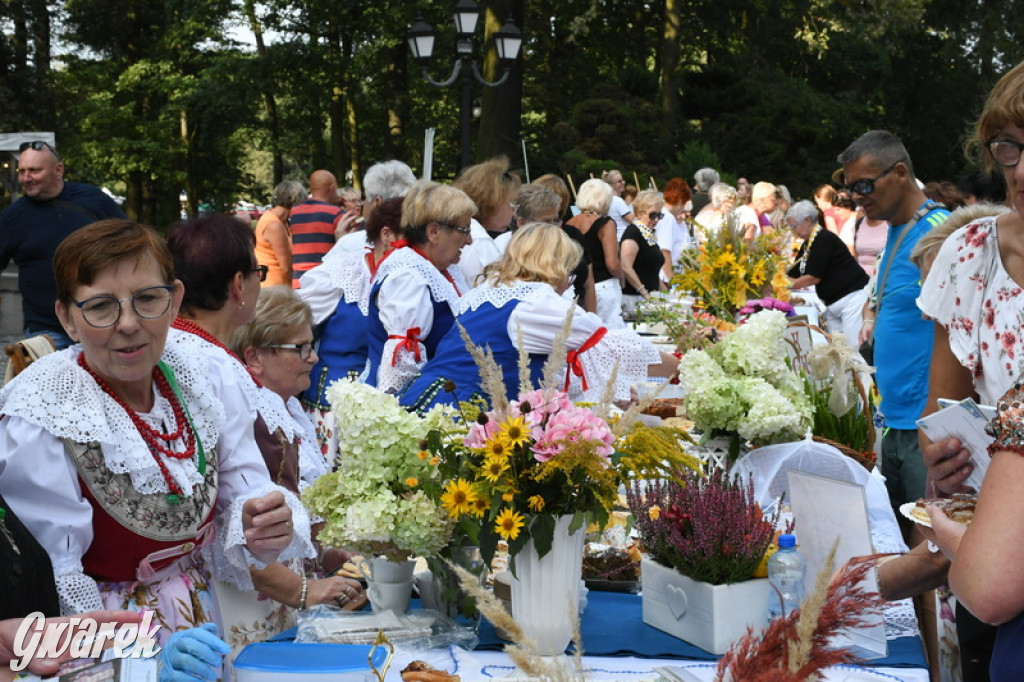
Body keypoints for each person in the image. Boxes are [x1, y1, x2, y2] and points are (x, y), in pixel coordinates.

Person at [0, 219, 306, 641]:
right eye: (101, 306)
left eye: (147, 298)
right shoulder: (47, 412)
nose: (128, 323)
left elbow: (241, 492)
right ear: (67, 318)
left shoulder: (197, 376)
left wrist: (258, 522)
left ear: (175, 300)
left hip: (204, 614)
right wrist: (122, 657)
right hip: (109, 635)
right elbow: (55, 576)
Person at [398, 223, 678, 414]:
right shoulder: (536, 303)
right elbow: (616, 349)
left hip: (428, 399)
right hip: (462, 414)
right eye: (568, 272)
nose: (568, 283)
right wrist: (683, 370)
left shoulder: (487, 291)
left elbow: (550, 367)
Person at [231, 286, 365, 614]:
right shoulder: (247, 415)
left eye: (312, 345)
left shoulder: (288, 407)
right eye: (301, 348)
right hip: (257, 600)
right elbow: (237, 534)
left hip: (296, 591)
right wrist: (305, 590)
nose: (314, 357)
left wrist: (329, 553)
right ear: (254, 357)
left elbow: (309, 505)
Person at [842, 130, 950, 516]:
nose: (857, 196)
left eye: (864, 184)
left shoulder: (940, 232)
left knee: (928, 549)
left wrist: (932, 417)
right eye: (850, 189)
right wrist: (871, 314)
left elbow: (957, 332)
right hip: (895, 417)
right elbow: (886, 292)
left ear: (900, 172)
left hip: (926, 426)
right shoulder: (897, 228)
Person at [298, 197, 404, 455]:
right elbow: (291, 326)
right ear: (387, 235)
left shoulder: (412, 278)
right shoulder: (342, 272)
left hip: (383, 417)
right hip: (328, 412)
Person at [0, 140, 126, 349]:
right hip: (46, 333)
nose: (25, 178)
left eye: (34, 170)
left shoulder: (93, 199)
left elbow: (131, 245)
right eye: (21, 171)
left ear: (58, 170)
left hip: (103, 323)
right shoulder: (12, 219)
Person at [367, 180, 474, 394]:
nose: (469, 240)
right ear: (434, 231)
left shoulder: (441, 268)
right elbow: (403, 364)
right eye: (464, 230)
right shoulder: (408, 276)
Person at [785, 200, 869, 340]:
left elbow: (813, 277)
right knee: (836, 347)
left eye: (794, 226)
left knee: (853, 347)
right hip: (833, 303)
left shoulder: (824, 239)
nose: (793, 231)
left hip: (852, 298)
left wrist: (785, 284)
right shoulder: (808, 244)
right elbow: (794, 271)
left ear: (807, 220)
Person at [453, 156, 521, 288]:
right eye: (512, 204)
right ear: (493, 202)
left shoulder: (461, 229)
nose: (514, 213)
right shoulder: (480, 242)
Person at [567, 179, 624, 329]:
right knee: (611, 333)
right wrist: (622, 278)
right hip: (604, 286)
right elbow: (612, 263)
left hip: (579, 286)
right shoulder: (605, 224)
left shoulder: (569, 224)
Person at [290, 170, 358, 286]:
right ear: (332, 188)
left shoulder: (294, 212)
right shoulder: (336, 214)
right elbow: (351, 247)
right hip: (323, 280)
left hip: (298, 280)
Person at [620, 190, 667, 319]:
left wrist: (665, 294)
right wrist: (644, 292)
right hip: (635, 298)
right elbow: (625, 266)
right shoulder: (633, 233)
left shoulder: (648, 234)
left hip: (649, 297)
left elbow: (650, 269)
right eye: (653, 215)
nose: (656, 219)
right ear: (640, 213)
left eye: (660, 215)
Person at [255, 181, 307, 287]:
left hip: (281, 287)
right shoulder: (274, 226)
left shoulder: (284, 222)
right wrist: (307, 283)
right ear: (295, 200)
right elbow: (286, 268)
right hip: (275, 290)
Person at [656, 178, 693, 286]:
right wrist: (673, 281)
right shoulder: (667, 218)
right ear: (681, 201)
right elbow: (664, 252)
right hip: (666, 278)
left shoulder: (668, 216)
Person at [602, 169, 635, 239]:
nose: (623, 182)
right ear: (611, 185)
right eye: (619, 181)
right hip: (622, 237)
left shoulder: (605, 200)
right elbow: (632, 220)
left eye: (622, 180)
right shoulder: (617, 201)